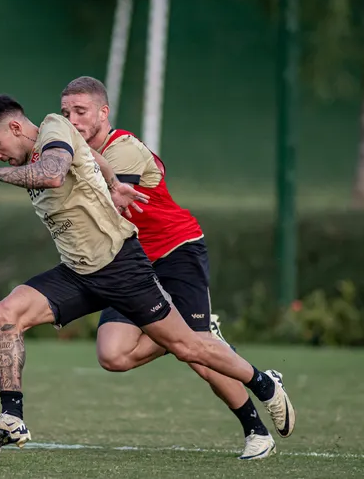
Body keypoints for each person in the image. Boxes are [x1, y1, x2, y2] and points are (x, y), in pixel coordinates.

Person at [0, 94, 295, 451]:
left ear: (14, 126)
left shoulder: (53, 129)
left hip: (120, 266)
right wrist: (114, 182)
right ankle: (12, 418)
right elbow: (94, 158)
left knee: (189, 346)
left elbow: (53, 175)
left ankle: (264, 385)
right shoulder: (42, 151)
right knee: (6, 313)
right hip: (78, 271)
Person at [59, 76, 290, 460]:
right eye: (66, 113)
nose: (73, 120)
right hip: (130, 261)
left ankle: (256, 431)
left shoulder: (124, 150)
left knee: (196, 352)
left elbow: (110, 203)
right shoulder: (71, 151)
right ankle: (195, 333)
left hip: (175, 250)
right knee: (113, 356)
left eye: (80, 111)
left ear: (104, 112)